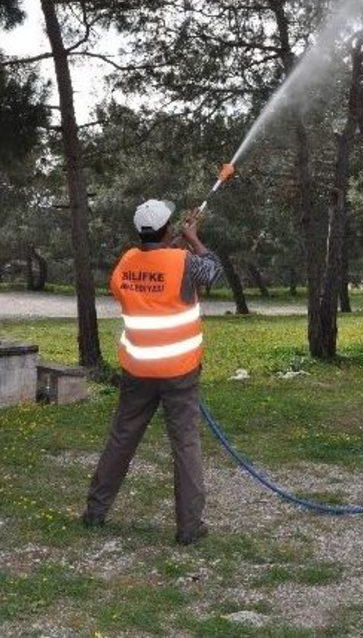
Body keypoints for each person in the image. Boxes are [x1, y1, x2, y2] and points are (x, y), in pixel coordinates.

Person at [82, 179, 233, 544]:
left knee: (122, 439)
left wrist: (171, 245)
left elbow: (151, 268)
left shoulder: (126, 264)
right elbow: (212, 271)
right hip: (179, 373)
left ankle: (96, 512)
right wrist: (193, 237)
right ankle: (189, 528)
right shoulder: (184, 261)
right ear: (167, 228)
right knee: (185, 444)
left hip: (136, 371)